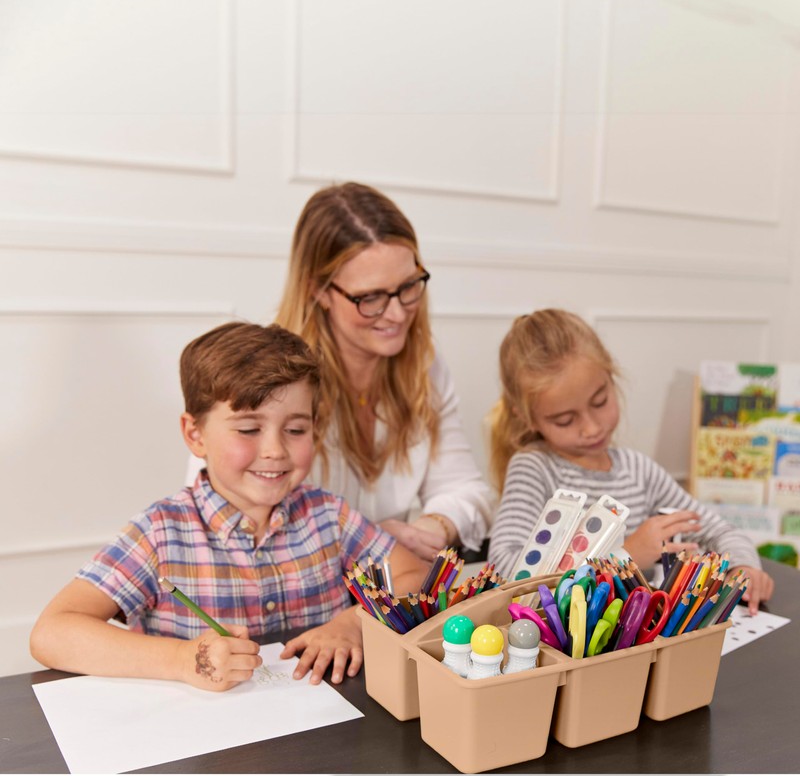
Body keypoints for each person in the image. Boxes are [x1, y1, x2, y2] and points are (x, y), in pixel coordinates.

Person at [30, 322, 428, 691]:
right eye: (249, 429)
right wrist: (183, 660)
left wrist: (354, 623)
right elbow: (52, 633)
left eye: (295, 429)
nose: (275, 450)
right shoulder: (161, 532)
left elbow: (416, 574)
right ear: (195, 434)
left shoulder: (328, 516)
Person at [486, 308, 774, 614]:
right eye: (564, 420)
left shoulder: (638, 470)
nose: (591, 428)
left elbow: (718, 530)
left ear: (611, 379)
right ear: (526, 417)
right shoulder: (533, 468)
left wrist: (743, 567)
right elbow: (505, 570)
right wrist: (624, 556)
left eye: (600, 402)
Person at [273, 181, 494, 561]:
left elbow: (468, 491)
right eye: (371, 297)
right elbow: (229, 517)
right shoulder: (266, 376)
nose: (396, 314)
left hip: (392, 583)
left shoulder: (424, 366)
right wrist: (370, 540)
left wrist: (430, 528)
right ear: (318, 290)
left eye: (408, 286)